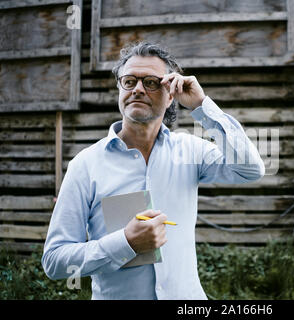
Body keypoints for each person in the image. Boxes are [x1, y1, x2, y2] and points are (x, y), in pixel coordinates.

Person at [41, 41, 265, 299]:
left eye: (150, 82)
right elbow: (55, 260)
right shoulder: (85, 164)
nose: (137, 89)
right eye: (129, 81)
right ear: (119, 88)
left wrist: (202, 106)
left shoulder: (191, 151)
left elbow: (250, 169)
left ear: (171, 95)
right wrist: (125, 243)